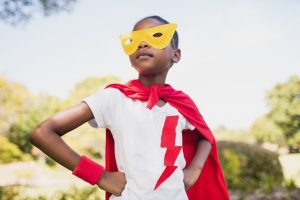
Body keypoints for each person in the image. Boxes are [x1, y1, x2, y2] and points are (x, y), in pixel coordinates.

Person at [29, 15, 230, 200]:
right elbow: (43, 133)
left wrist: (195, 168)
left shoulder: (180, 102)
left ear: (175, 55)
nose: (142, 43)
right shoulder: (113, 98)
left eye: (156, 36)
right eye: (135, 40)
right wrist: (99, 175)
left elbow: (206, 136)